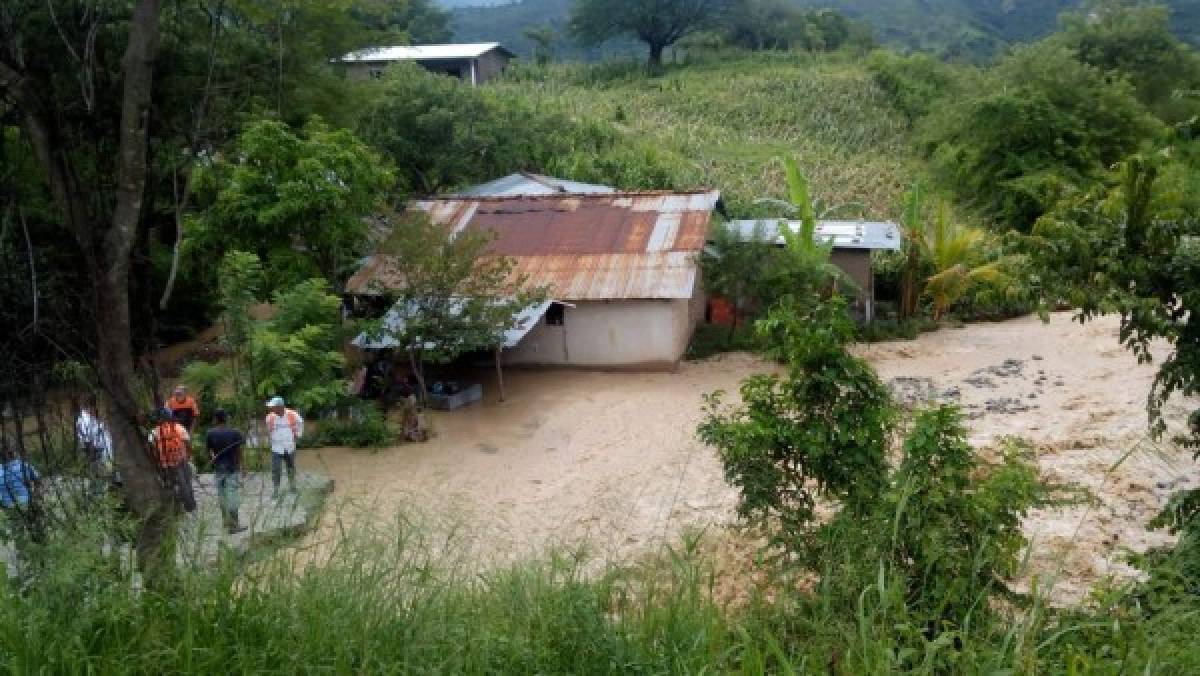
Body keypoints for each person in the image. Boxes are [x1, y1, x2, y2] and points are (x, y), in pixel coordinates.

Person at [205, 409, 246, 534]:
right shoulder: (235, 433)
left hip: (218, 469)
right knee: (232, 495)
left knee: (222, 495)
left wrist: (212, 458)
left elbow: (209, 451)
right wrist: (243, 466)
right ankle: (234, 526)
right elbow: (238, 452)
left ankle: (225, 522)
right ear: (226, 418)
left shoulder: (210, 433)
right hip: (231, 468)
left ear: (215, 419)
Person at [148, 408, 196, 513]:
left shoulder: (154, 431)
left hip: (164, 463)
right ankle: (190, 506)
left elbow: (152, 447)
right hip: (180, 460)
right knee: (186, 482)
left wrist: (156, 462)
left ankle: (176, 507)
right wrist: (189, 455)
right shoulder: (178, 428)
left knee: (170, 484)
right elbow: (187, 442)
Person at [0, 448, 43, 542]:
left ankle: (24, 553)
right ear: (14, 454)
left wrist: (2, 505)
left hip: (9, 507)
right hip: (27, 502)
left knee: (18, 535)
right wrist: (36, 495)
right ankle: (42, 546)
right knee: (37, 528)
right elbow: (38, 481)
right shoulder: (24, 465)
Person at [265, 397, 304, 498]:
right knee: (276, 469)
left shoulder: (292, 414)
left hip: (289, 446)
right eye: (272, 408)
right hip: (276, 448)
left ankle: (292, 486)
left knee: (290, 467)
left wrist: (298, 435)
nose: (272, 409)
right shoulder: (270, 417)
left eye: (274, 407)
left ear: (280, 407)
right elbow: (269, 430)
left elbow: (301, 423)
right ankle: (276, 489)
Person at [75, 401, 117, 494]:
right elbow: (87, 443)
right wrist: (95, 458)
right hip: (100, 456)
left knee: (109, 481)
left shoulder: (92, 418)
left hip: (106, 455)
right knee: (101, 483)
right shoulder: (84, 421)